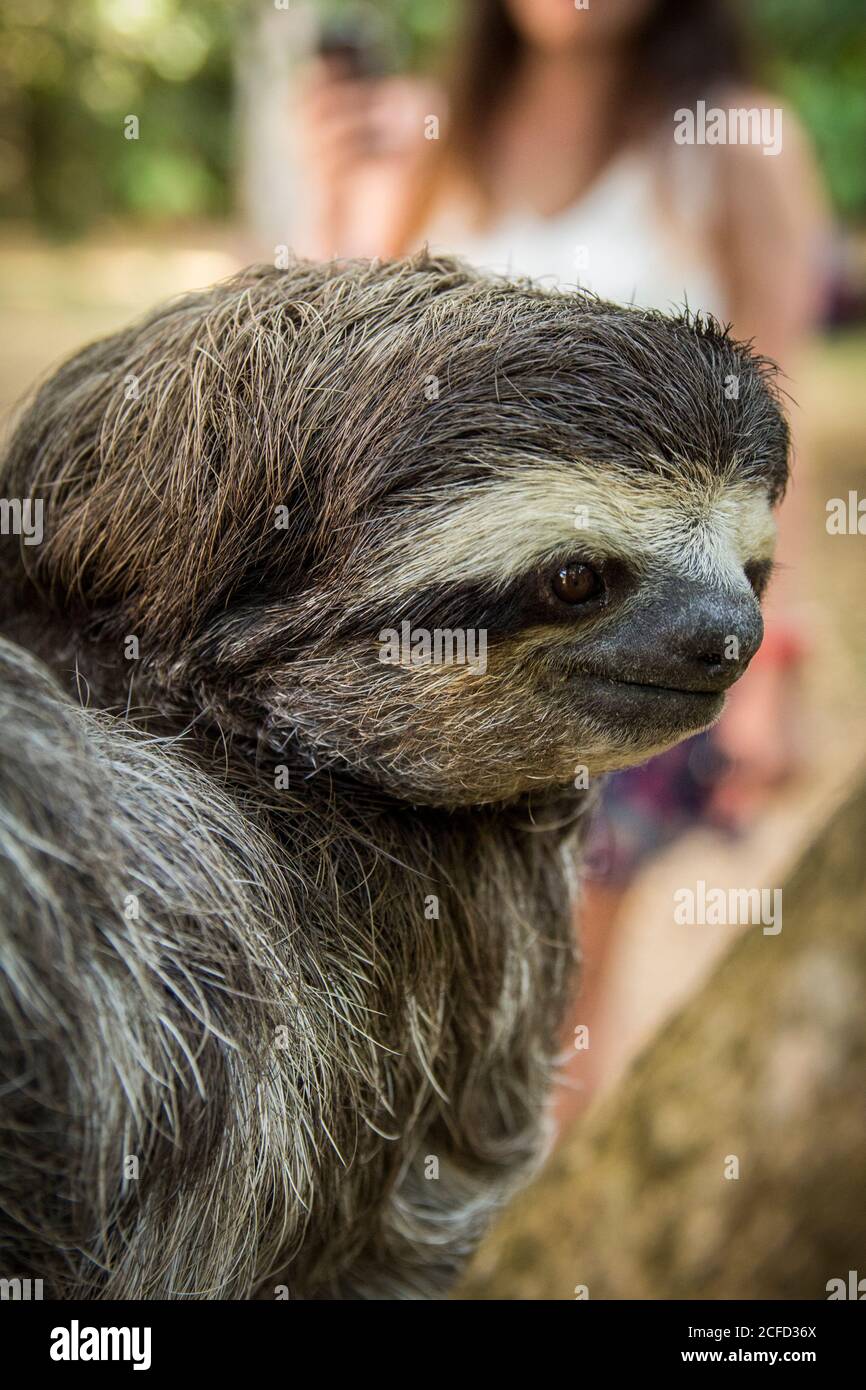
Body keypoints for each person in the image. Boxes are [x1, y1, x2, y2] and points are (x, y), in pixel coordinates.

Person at [293, 0, 829, 1108]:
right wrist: (327, 189)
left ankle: (522, 1253)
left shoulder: (738, 144)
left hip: (634, 629)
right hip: (441, 638)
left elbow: (789, 435)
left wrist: (774, 662)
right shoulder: (422, 133)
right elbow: (327, 388)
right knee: (380, 980)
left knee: (548, 1000)